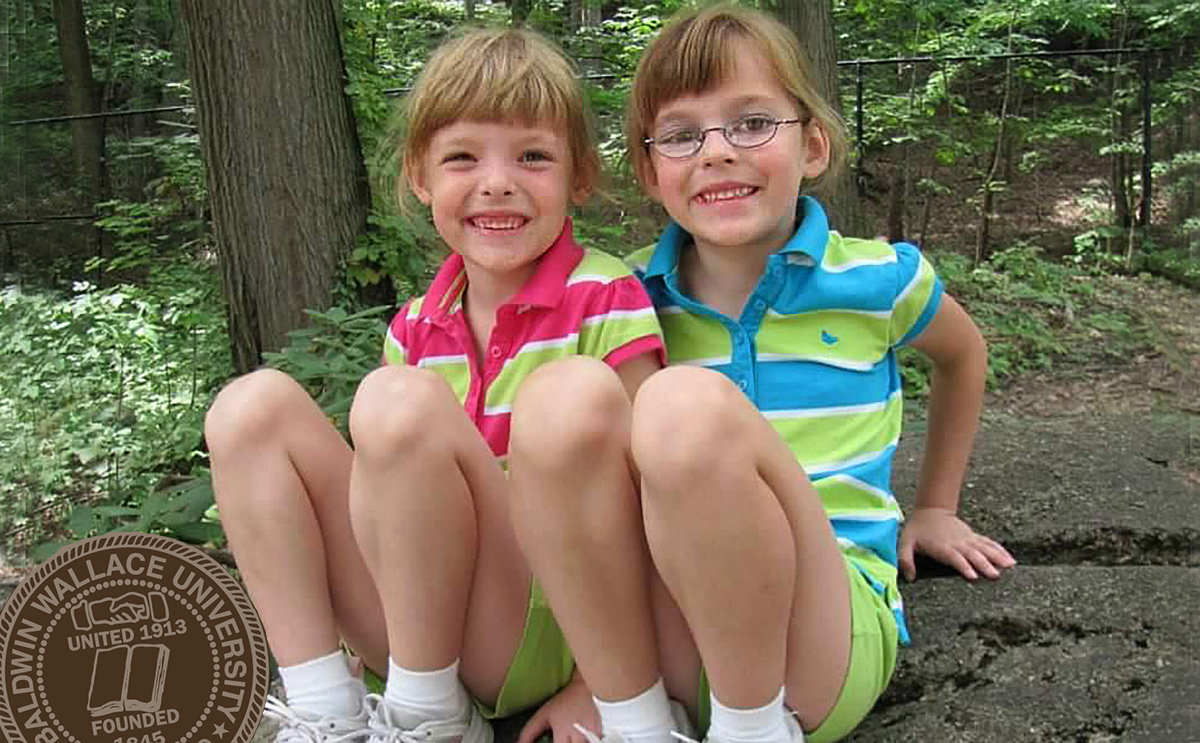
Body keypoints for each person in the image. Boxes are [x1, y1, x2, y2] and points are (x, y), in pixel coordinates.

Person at [538, 4, 1016, 743]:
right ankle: (634, 719)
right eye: (681, 134)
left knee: (685, 405)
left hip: (819, 639)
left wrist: (936, 506)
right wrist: (584, 677)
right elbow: (572, 475)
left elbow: (963, 353)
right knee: (570, 396)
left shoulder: (877, 278)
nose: (717, 151)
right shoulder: (619, 301)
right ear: (648, 170)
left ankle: (754, 730)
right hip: (669, 633)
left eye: (753, 122)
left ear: (814, 146)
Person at [203, 26, 666, 743]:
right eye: (461, 158)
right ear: (420, 177)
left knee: (398, 403)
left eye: (533, 156)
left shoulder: (606, 297)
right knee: (247, 408)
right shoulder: (415, 327)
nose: (497, 182)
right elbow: (394, 502)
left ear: (579, 174)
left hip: (556, 622)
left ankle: (429, 717)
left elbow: (650, 503)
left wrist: (600, 685)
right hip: (425, 623)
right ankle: (327, 704)